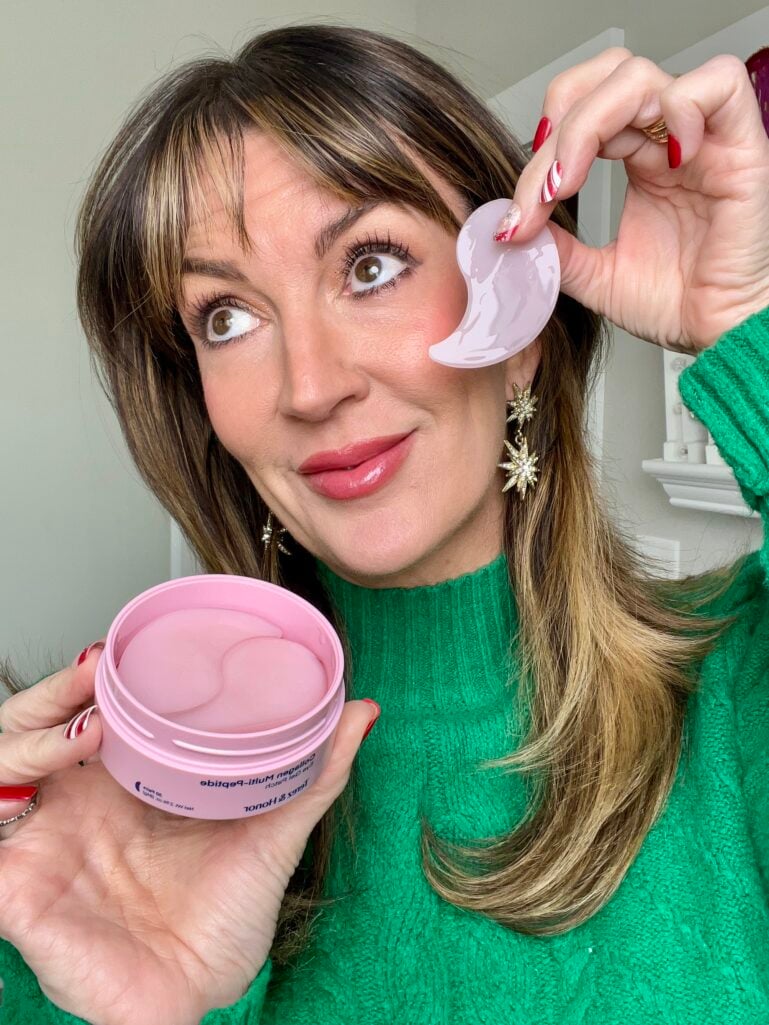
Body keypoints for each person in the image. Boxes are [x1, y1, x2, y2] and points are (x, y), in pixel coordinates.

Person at [1, 21, 768, 1025]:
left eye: (370, 263)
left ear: (521, 318)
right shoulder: (112, 837)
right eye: (224, 317)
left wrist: (743, 313)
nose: (309, 387)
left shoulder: (737, 684)